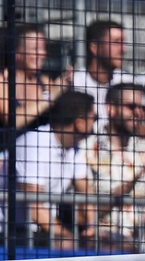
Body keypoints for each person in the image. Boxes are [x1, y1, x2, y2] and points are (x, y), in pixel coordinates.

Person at [10, 90, 96, 248]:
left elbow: (86, 192)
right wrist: (70, 239)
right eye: (94, 118)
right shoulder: (35, 143)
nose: (95, 124)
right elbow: (34, 207)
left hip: (43, 231)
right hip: (12, 232)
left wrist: (91, 226)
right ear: (79, 123)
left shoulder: (73, 147)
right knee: (69, 248)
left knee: (110, 245)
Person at [80, 82, 145, 244]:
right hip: (100, 237)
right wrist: (125, 189)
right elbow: (82, 210)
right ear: (111, 109)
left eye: (142, 108)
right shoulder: (87, 148)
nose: (138, 113)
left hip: (141, 237)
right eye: (131, 106)